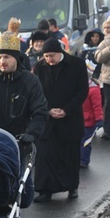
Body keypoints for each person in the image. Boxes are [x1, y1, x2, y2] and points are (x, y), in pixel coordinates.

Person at [32, 38, 88, 202]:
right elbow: (36, 93)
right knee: (46, 155)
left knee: (69, 155)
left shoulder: (76, 64)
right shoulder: (40, 68)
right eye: (46, 56)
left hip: (70, 118)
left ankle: (71, 187)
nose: (49, 60)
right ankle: (45, 190)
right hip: (48, 119)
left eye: (52, 56)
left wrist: (66, 110)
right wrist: (48, 110)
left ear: (60, 53)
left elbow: (82, 91)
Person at [0, 32, 48, 148]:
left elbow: (40, 111)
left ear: (16, 58)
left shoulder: (30, 81)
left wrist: (31, 134)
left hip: (20, 144)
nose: (2, 61)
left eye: (7, 57)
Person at [81, 61, 104, 168]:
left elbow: (97, 106)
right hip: (78, 120)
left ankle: (84, 160)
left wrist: (99, 119)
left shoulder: (93, 90)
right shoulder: (77, 87)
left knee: (85, 142)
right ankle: (78, 158)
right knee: (77, 141)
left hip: (89, 122)